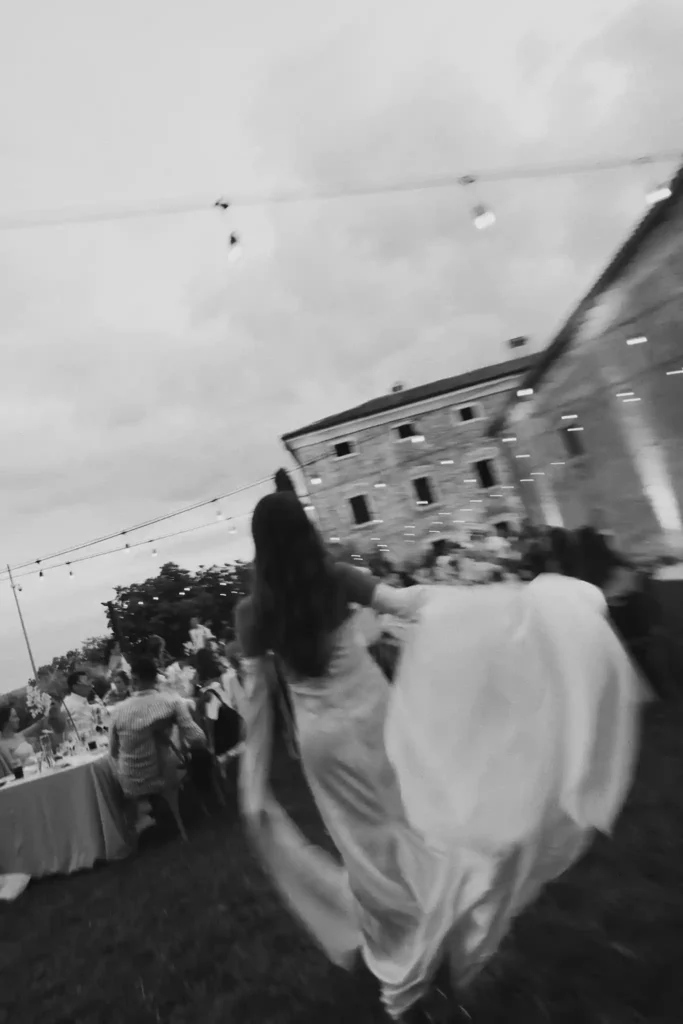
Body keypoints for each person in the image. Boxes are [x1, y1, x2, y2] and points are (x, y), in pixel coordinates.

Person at [235, 483, 642, 1022]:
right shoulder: (336, 577)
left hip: (324, 746)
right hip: (378, 719)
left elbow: (259, 708)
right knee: (420, 825)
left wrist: (252, 782)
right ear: (305, 532)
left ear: (260, 545)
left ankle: (406, 957)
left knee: (366, 853)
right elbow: (408, 604)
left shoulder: (252, 612)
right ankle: (446, 923)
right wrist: (501, 605)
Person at [108, 656, 206, 803]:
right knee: (176, 760)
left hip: (131, 785)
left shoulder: (117, 711)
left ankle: (136, 819)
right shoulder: (172, 701)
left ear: (133, 680)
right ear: (156, 678)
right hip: (165, 777)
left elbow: (113, 752)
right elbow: (198, 738)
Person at [0, 705, 57, 769]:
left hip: (40, 768)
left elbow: (39, 724)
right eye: (15, 717)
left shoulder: (20, 735)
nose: (18, 719)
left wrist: (48, 711)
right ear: (5, 721)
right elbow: (13, 768)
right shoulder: (3, 745)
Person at [63, 670, 103, 741]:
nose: (90, 685)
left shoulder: (81, 700)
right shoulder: (70, 705)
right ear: (75, 687)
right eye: (86, 681)